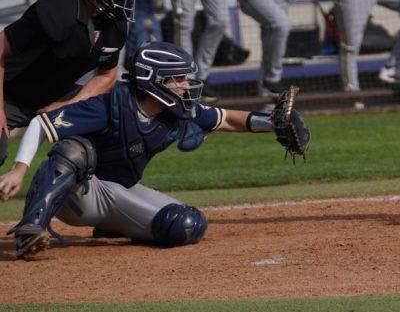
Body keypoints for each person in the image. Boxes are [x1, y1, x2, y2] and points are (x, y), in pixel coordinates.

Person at [0, 42, 308, 259]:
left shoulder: (176, 111)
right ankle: (32, 229)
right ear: (153, 82)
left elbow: (226, 118)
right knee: (73, 149)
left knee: (186, 225)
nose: (186, 85)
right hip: (81, 194)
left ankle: (112, 227)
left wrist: (272, 124)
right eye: (178, 79)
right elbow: (42, 124)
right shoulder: (111, 105)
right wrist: (19, 169)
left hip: (120, 192)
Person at [0, 0, 134, 168]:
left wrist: (69, 105)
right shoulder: (55, 12)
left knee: (108, 136)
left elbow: (108, 75)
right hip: (10, 93)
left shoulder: (116, 22)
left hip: (58, 94)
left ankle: (83, 198)